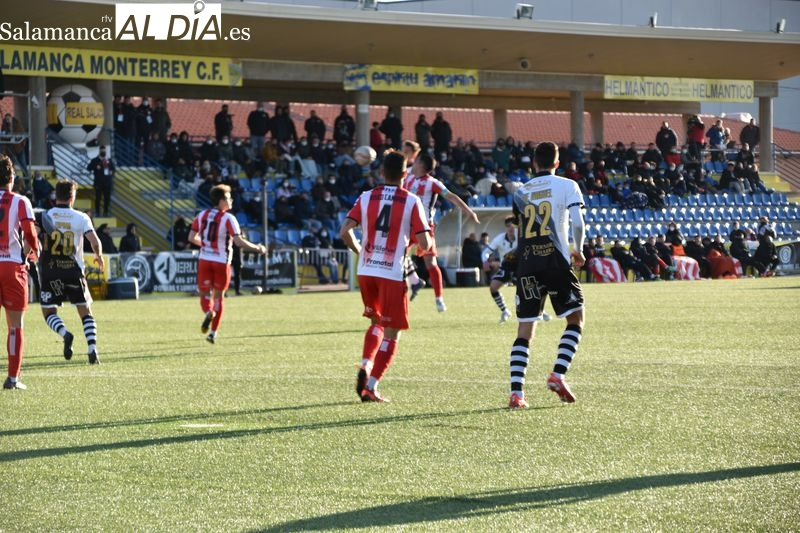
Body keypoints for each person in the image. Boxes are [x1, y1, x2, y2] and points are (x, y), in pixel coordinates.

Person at [340, 150, 432, 403]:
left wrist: (359, 250)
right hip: (391, 273)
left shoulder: (367, 197)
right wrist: (420, 247)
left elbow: (344, 230)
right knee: (393, 332)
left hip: (367, 270)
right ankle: (370, 386)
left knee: (376, 323)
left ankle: (366, 362)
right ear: (405, 174)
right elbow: (424, 240)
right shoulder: (412, 201)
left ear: (381, 172)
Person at [505, 142, 585, 409]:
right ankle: (557, 374)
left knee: (525, 328)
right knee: (575, 318)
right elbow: (577, 221)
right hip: (555, 261)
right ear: (557, 162)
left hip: (527, 264)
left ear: (534, 163)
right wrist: (579, 250)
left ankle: (517, 393)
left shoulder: (521, 192)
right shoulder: (567, 185)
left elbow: (519, 234)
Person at [189, 184, 267, 343]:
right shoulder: (229, 218)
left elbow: (191, 237)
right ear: (221, 200)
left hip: (205, 259)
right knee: (218, 297)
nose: (231, 200)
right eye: (228, 197)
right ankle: (213, 333)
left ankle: (207, 312)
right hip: (221, 262)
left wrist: (206, 245)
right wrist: (257, 248)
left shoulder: (201, 215)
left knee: (204, 294)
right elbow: (238, 241)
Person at [403, 153, 480, 312]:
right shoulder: (408, 179)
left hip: (424, 226)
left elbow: (451, 196)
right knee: (398, 257)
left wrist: (468, 211)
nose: (414, 163)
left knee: (430, 263)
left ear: (422, 165)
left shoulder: (433, 183)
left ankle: (439, 298)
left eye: (416, 161)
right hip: (406, 225)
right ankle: (414, 281)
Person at [38, 180, 103, 365]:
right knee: (85, 311)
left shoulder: (45, 216)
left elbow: (33, 238)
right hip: (74, 271)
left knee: (49, 312)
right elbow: (95, 241)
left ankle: (65, 333)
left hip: (51, 272)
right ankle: (92, 349)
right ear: (72, 197)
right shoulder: (81, 217)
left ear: (55, 196)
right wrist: (98, 256)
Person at [0, 155, 39, 390]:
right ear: (12, 178)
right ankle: (13, 378)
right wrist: (33, 252)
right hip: (13, 266)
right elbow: (30, 233)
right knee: (15, 325)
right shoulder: (21, 201)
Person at [485, 216, 517, 323]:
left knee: (525, 290)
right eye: (508, 226)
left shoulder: (522, 237)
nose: (511, 228)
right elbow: (486, 252)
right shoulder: (500, 238)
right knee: (493, 287)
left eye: (513, 225)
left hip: (521, 267)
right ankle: (505, 311)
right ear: (506, 228)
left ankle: (539, 311)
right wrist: (485, 261)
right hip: (506, 267)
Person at [86, 145, 115, 216]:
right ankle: (98, 212)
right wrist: (96, 166)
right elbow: (88, 168)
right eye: (102, 150)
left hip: (107, 183)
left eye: (104, 150)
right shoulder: (95, 160)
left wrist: (112, 172)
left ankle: (105, 212)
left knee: (107, 198)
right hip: (98, 183)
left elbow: (113, 169)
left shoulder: (109, 160)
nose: (103, 152)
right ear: (99, 151)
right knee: (98, 198)